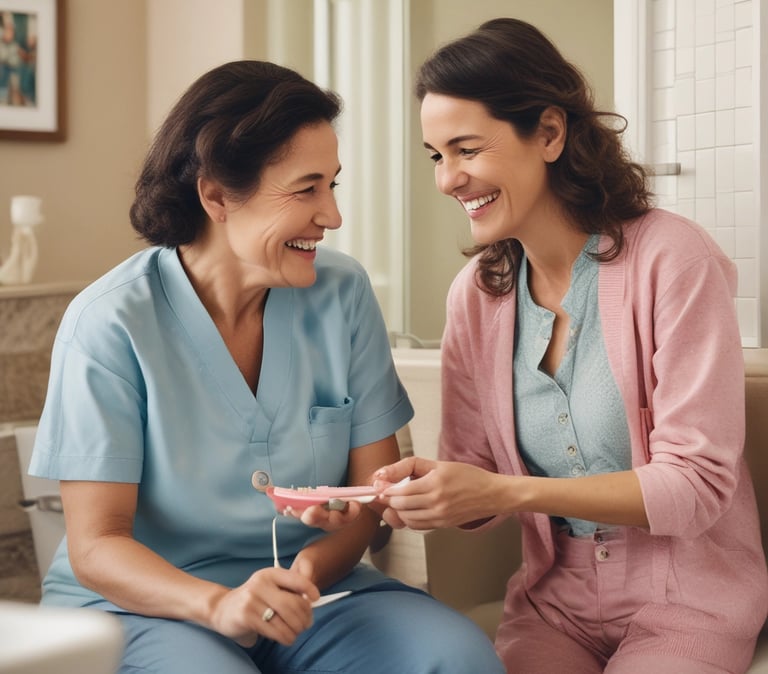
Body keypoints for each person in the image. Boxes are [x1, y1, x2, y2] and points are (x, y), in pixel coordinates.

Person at [28, 60, 504, 674]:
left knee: (455, 659)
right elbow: (97, 547)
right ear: (217, 196)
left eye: (333, 185)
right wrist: (220, 605)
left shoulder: (342, 292)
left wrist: (305, 573)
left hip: (317, 596)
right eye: (306, 189)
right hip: (142, 607)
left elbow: (366, 504)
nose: (332, 215)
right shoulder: (111, 323)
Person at [374, 17, 768, 674]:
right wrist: (419, 497)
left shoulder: (673, 260)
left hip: (688, 595)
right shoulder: (477, 295)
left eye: (467, 150)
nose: (447, 179)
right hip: (554, 602)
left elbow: (697, 486)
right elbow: (473, 478)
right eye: (436, 155)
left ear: (550, 134)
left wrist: (507, 494)